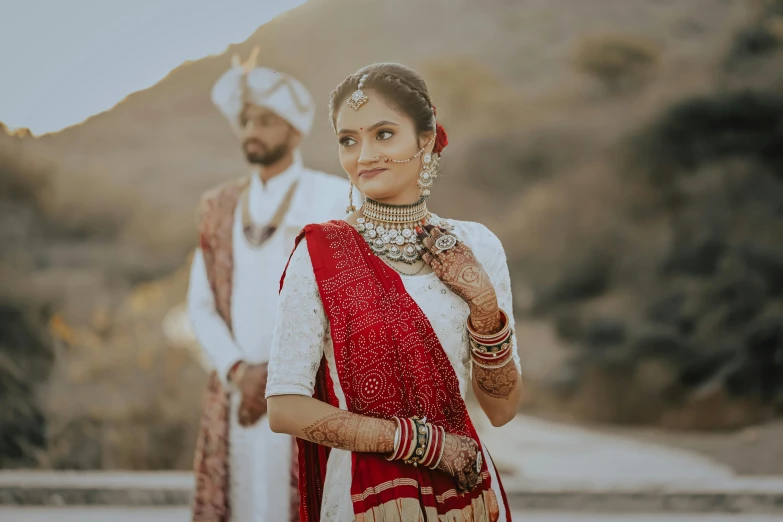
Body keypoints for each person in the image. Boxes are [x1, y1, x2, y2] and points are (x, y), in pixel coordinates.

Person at [265, 62, 522, 522]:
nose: (364, 155)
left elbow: (502, 410)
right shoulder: (319, 254)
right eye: (349, 140)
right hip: (366, 498)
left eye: (383, 134)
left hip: (467, 492)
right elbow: (284, 408)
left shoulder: (477, 246)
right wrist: (421, 443)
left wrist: (484, 308)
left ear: (426, 139)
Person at [188, 51, 352, 522]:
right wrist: (241, 372)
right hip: (236, 391)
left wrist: (281, 375)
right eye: (245, 120)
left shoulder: (331, 197)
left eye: (265, 120)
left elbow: (346, 300)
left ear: (296, 130)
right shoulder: (218, 206)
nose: (251, 130)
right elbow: (200, 306)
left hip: (309, 394)